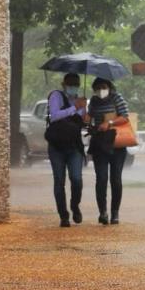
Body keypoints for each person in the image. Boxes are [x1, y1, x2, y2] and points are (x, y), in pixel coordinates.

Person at [46, 73, 87, 227]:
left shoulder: (80, 100)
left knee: (76, 178)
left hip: (74, 146)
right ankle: (63, 215)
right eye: (70, 84)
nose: (73, 87)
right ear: (64, 84)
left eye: (76, 84)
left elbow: (81, 122)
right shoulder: (56, 96)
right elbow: (55, 116)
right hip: (57, 146)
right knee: (59, 181)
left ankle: (75, 205)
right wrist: (74, 108)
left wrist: (84, 113)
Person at [87, 77, 130, 225]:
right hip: (100, 144)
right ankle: (102, 212)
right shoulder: (93, 101)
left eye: (103, 87)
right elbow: (89, 119)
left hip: (117, 143)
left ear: (109, 87)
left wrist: (110, 123)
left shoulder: (116, 98)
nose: (101, 90)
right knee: (101, 179)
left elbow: (125, 117)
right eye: (97, 88)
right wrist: (87, 118)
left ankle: (115, 213)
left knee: (116, 179)